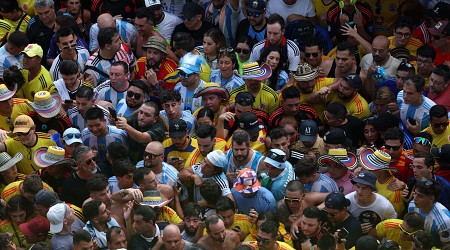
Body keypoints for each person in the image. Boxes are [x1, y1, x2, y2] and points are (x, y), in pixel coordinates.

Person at [358, 148, 405, 217]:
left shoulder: (394, 192)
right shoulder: (374, 177)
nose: (366, 171)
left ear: (382, 170)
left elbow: (393, 217)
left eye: (370, 169)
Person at [408, 178, 450, 248]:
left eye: (420, 196)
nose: (415, 198)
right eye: (415, 193)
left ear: (431, 198)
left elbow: (446, 246)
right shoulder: (412, 205)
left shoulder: (444, 221)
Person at [27, 0, 59, 68]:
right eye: (40, 14)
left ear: (53, 8)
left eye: (46, 12)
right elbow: (30, 47)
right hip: (43, 67)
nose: (44, 17)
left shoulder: (66, 18)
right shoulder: (33, 24)